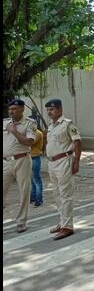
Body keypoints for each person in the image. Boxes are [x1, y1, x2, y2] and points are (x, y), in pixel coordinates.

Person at [45, 98, 82, 240]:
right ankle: (62, 222)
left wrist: (76, 162)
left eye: (52, 109)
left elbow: (77, 142)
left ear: (60, 110)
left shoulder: (68, 124)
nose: (49, 112)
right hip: (52, 163)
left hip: (64, 161)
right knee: (56, 194)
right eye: (48, 109)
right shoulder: (51, 126)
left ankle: (68, 226)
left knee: (65, 194)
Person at [3, 99, 37, 233]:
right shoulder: (4, 123)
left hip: (22, 160)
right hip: (5, 162)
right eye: (10, 109)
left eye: (15, 109)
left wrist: (14, 131)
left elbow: (29, 142)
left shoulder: (30, 123)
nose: (11, 111)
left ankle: (21, 222)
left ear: (22, 109)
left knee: (24, 191)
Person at [30, 127, 45, 207]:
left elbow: (29, 142)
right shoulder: (30, 132)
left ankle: (39, 199)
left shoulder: (37, 133)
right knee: (31, 179)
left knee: (36, 179)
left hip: (35, 157)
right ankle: (33, 197)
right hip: (29, 157)